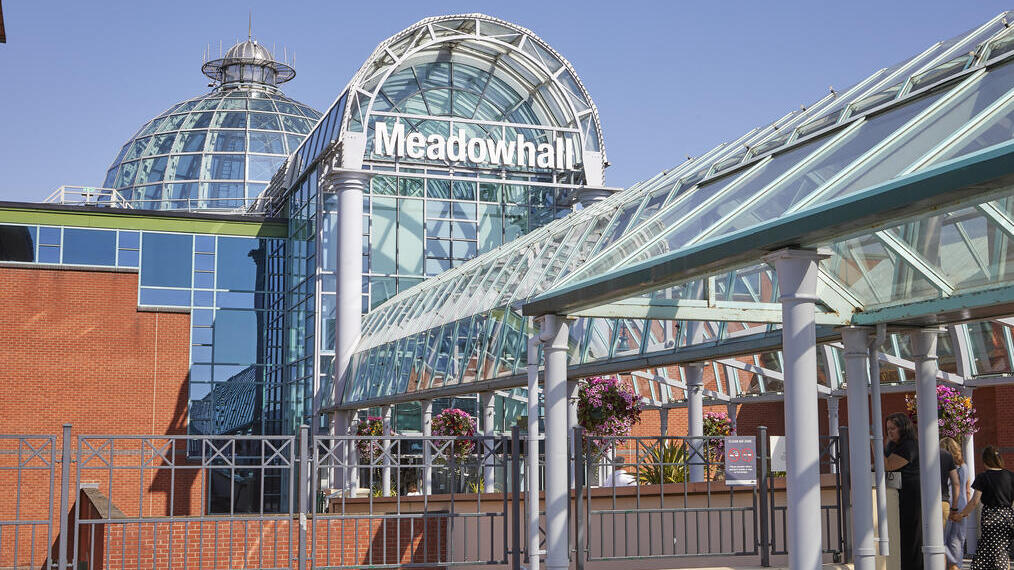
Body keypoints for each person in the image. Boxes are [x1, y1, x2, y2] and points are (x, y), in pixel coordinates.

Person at [951, 446, 1014, 569]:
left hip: (991, 518)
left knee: (990, 551)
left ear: (985, 460)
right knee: (1002, 550)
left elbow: (974, 501)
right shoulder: (1011, 476)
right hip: (1008, 517)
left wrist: (961, 514)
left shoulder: (983, 477)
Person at [885, 412, 922, 570]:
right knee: (902, 535)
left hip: (912, 495)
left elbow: (888, 465)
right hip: (901, 494)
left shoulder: (909, 446)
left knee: (911, 535)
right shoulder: (895, 446)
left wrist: (875, 444)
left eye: (893, 428)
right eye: (887, 429)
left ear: (903, 428)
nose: (889, 432)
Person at [941, 437, 969, 570]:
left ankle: (950, 564)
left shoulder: (943, 464)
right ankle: (956, 565)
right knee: (957, 541)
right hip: (962, 504)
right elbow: (967, 489)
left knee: (942, 540)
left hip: (948, 502)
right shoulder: (964, 467)